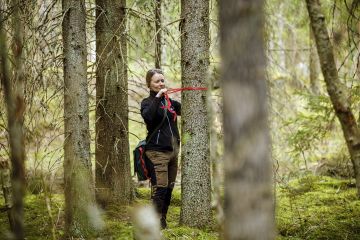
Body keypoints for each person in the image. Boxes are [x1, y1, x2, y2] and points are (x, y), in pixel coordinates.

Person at [140, 68, 181, 229]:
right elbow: (149, 117)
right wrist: (157, 96)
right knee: (160, 189)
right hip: (156, 152)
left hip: (173, 153)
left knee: (169, 188)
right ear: (149, 84)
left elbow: (186, 109)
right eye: (157, 81)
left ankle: (162, 219)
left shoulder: (170, 103)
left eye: (162, 80)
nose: (161, 83)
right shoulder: (147, 102)